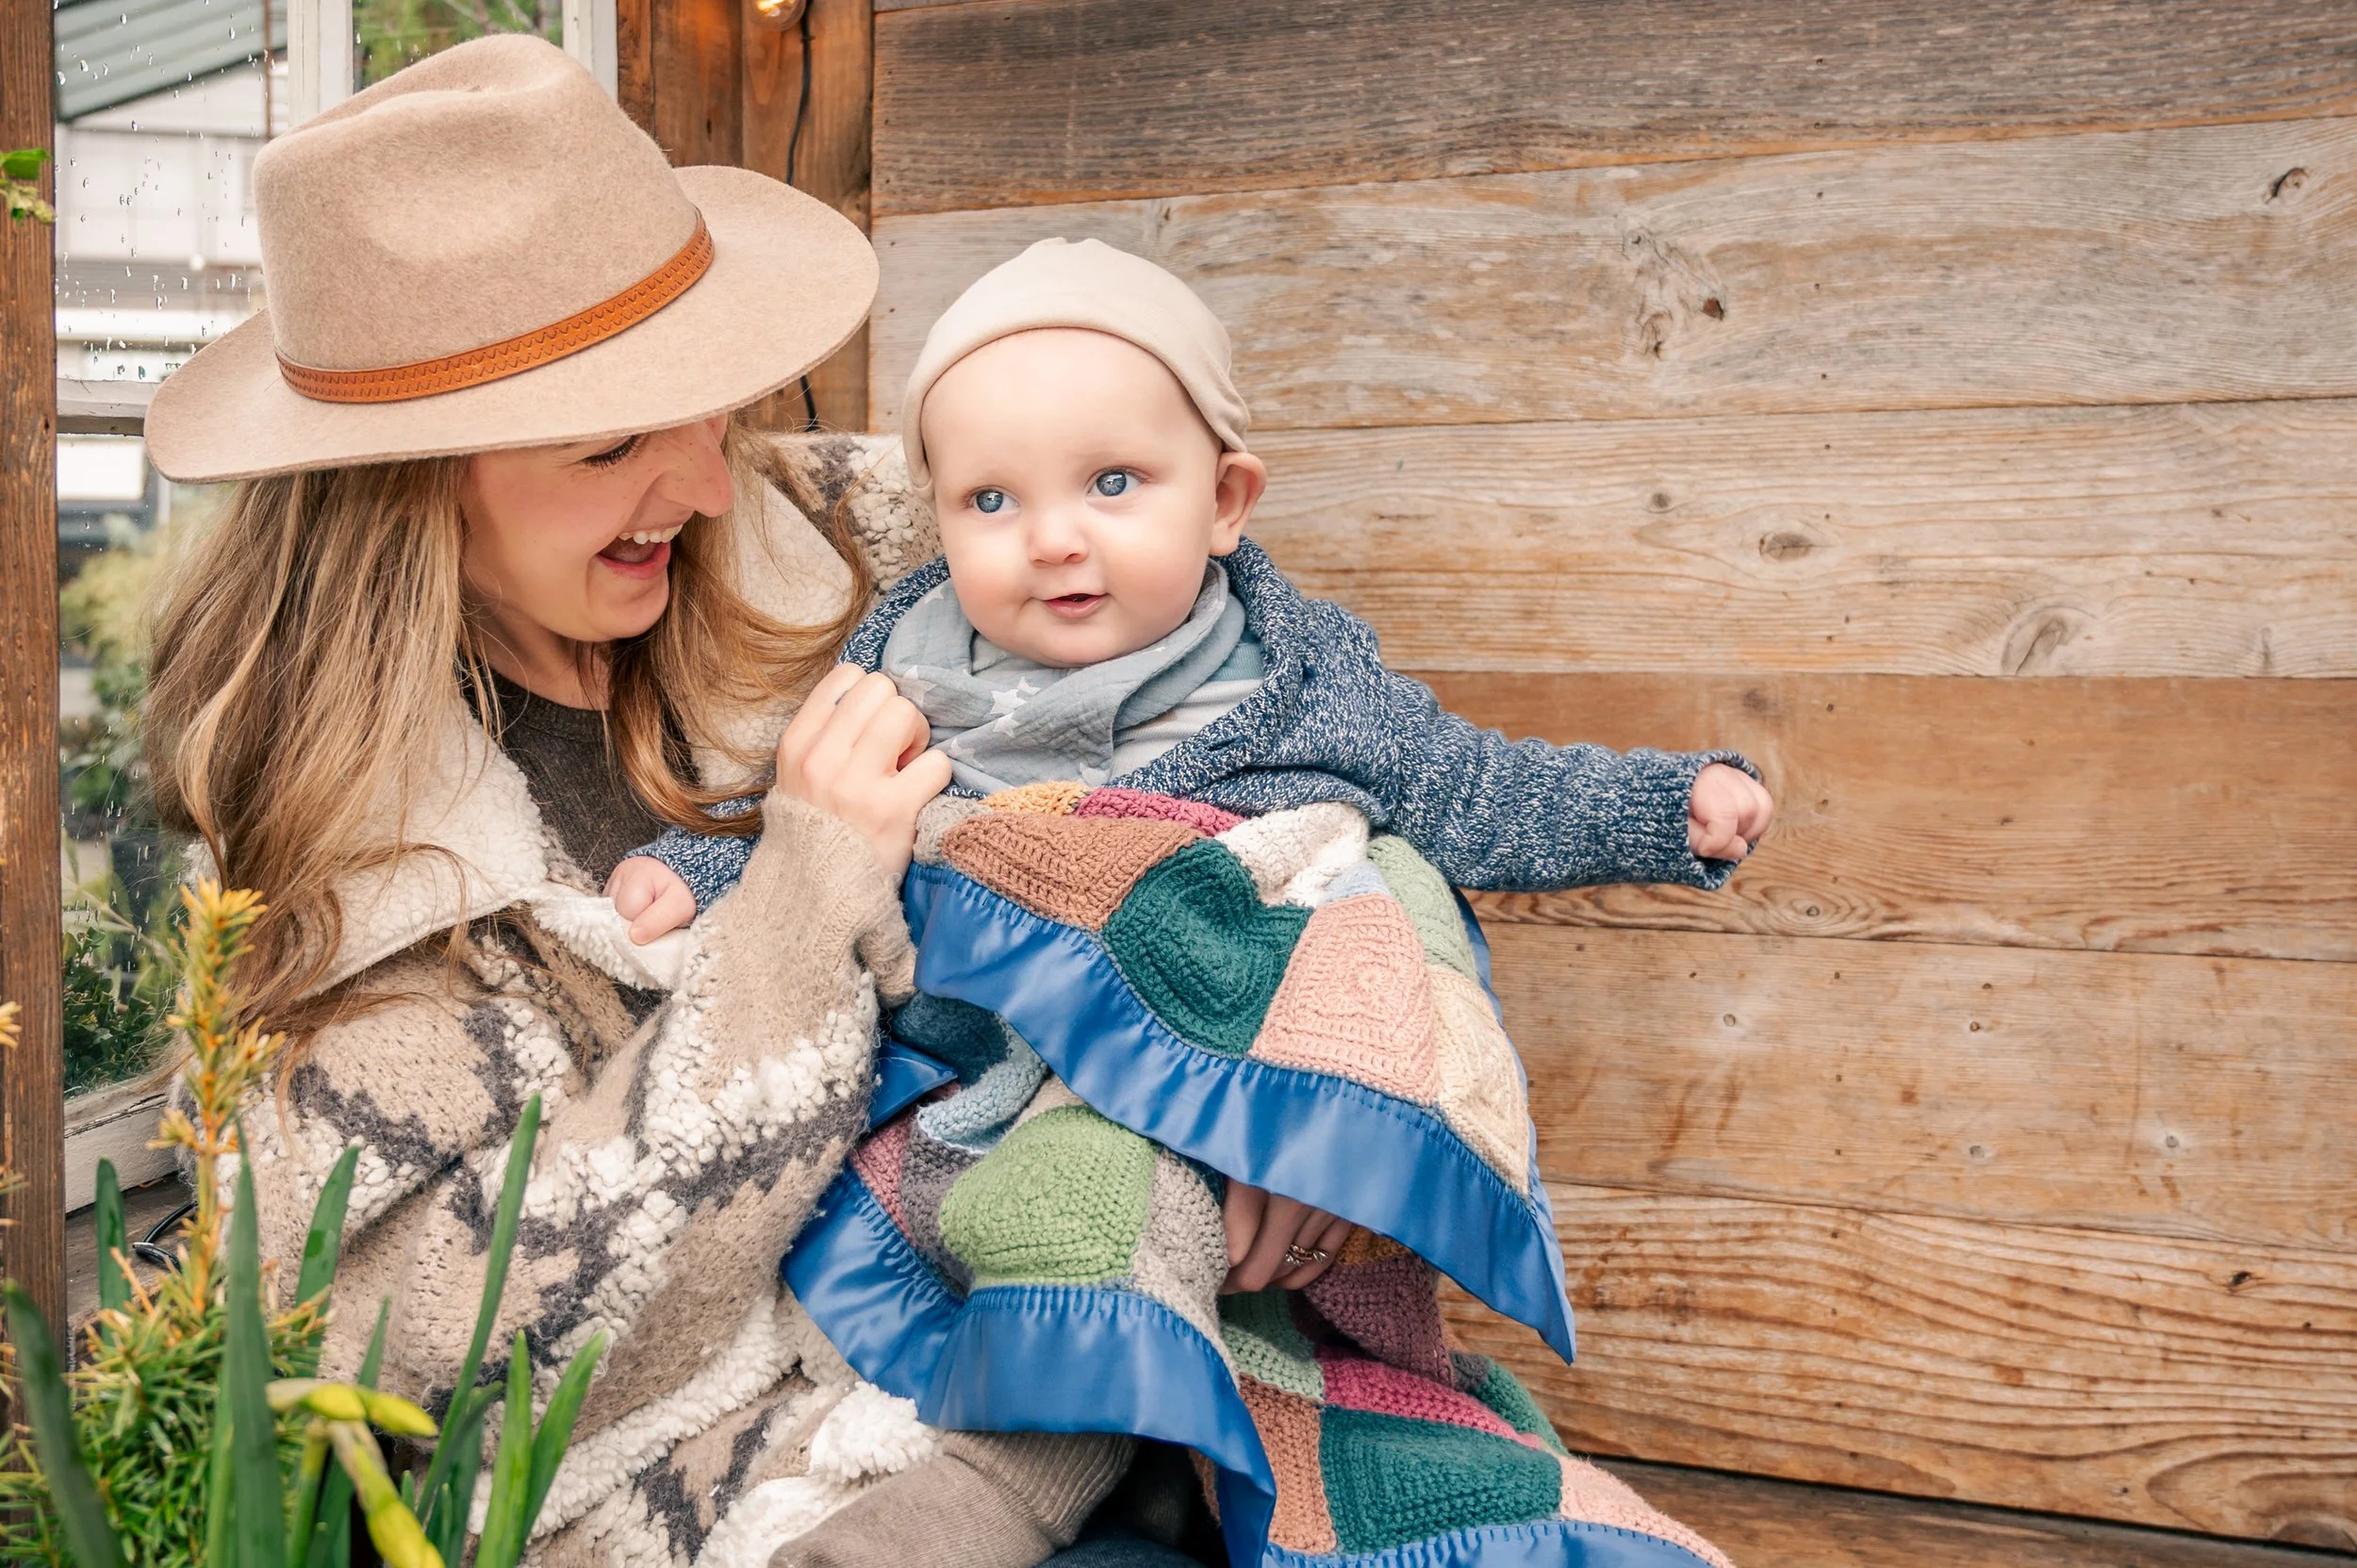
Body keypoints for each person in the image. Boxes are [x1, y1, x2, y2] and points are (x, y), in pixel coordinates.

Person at [139, 38, 1179, 1568]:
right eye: (615, 440)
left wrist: (1314, 1107)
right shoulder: (339, 880)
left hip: (1099, 1347)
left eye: (711, 397)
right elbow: (449, 1347)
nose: (706, 481)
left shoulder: (857, 531)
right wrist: (799, 912)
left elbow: (1244, 682)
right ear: (408, 486)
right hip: (776, 1491)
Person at [602, 239, 1769, 1563]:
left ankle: (1010, 1496)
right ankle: (982, 1484)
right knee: (1057, 1207)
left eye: (1113, 483)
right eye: (992, 499)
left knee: (1117, 1200)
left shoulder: (1303, 685)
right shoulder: (904, 670)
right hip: (974, 1094)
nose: (1054, 539)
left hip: (1209, 1097)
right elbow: (794, 818)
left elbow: (1472, 791)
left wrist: (1662, 806)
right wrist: (688, 872)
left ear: (1224, 498)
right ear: (938, 520)